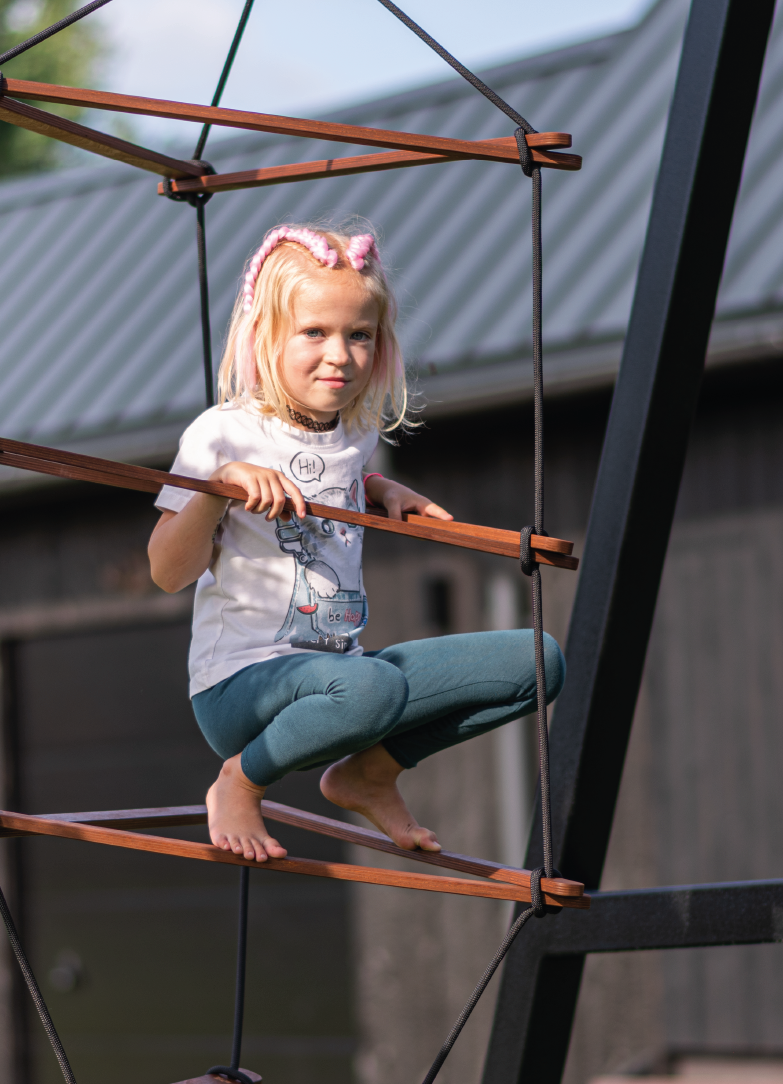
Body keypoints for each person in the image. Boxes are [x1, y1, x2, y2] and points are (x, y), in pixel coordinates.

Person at [148, 223, 564, 862]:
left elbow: (325, 471)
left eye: (358, 334)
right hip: (240, 689)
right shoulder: (221, 434)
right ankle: (238, 781)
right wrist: (217, 487)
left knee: (541, 659)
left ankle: (367, 773)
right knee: (371, 688)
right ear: (265, 336)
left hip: (340, 680)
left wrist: (376, 487)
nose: (339, 354)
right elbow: (166, 572)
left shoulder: (356, 435)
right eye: (314, 332)